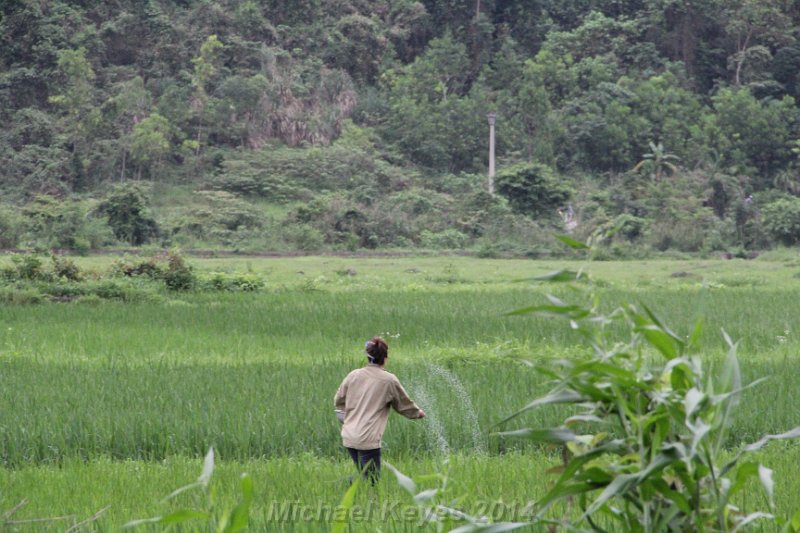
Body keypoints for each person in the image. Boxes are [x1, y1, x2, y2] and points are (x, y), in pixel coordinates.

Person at [334, 336, 425, 483]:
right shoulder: (388, 380)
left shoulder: (353, 375)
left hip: (349, 436)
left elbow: (338, 399)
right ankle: (344, 485)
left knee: (365, 477)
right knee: (372, 481)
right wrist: (417, 413)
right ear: (385, 358)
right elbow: (403, 404)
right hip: (367, 439)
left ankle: (349, 492)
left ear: (368, 357)